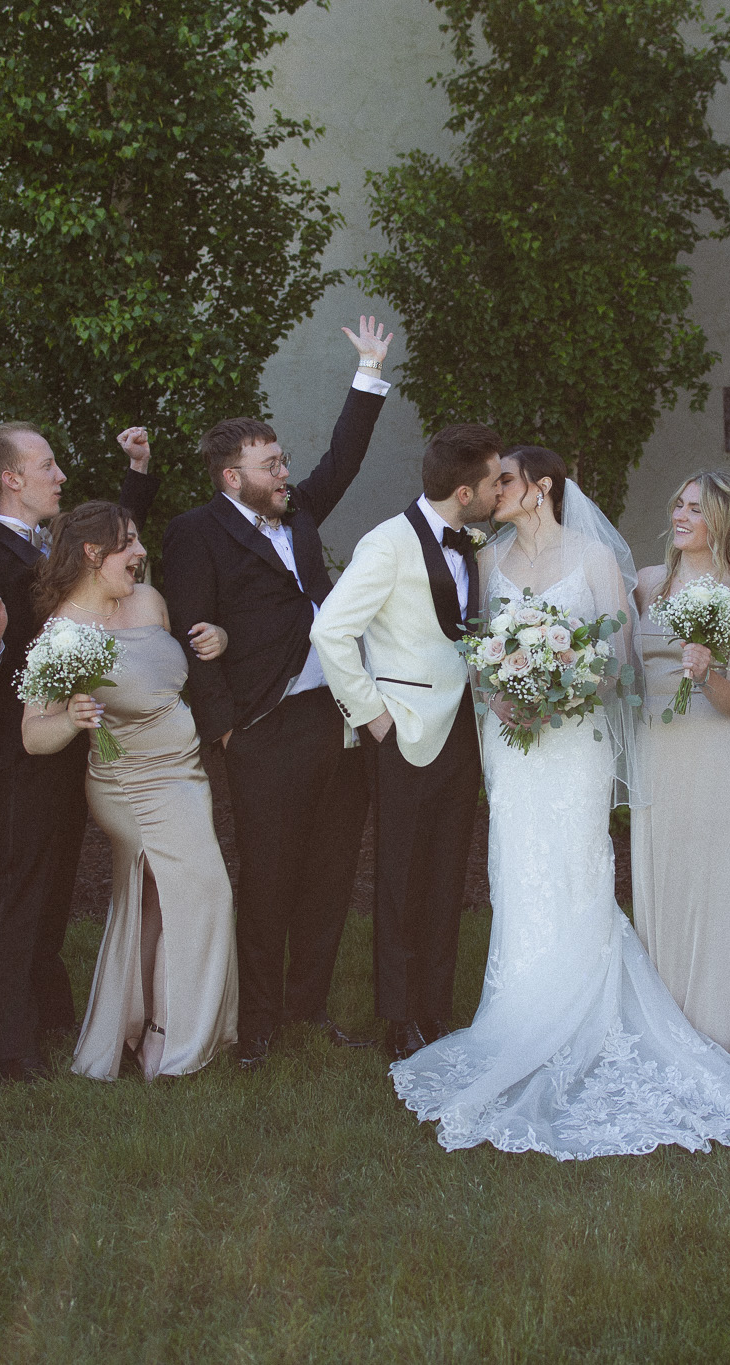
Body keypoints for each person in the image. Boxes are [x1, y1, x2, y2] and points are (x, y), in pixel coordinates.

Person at [389, 446, 730, 1160]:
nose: (492, 490)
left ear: (539, 489)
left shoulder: (597, 559)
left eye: (505, 480)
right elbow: (476, 652)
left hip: (574, 746)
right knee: (518, 875)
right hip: (511, 746)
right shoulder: (486, 561)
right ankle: (517, 1014)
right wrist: (503, 690)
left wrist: (560, 685)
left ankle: (584, 1018)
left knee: (573, 874)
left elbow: (621, 666)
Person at [160, 318, 394, 1070]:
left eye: (283, 459)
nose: (285, 472)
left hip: (336, 719)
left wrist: (366, 372)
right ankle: (257, 1023)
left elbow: (344, 459)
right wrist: (226, 729)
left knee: (329, 873)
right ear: (233, 476)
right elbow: (191, 632)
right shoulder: (196, 533)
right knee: (267, 879)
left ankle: (308, 1006)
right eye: (269, 464)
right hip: (264, 727)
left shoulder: (297, 515)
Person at [0, 422, 164, 1082]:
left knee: (57, 885)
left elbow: (114, 543)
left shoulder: (64, 543)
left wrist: (139, 469)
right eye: (47, 466)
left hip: (79, 740)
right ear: (11, 478)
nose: (60, 476)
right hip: (27, 746)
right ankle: (12, 1044)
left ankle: (47, 1009)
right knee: (23, 888)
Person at [22, 501, 240, 1080]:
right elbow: (32, 736)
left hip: (186, 775)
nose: (142, 553)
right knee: (204, 893)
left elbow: (177, 672)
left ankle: (136, 1024)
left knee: (152, 906)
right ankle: (171, 1035)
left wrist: (216, 637)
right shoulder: (61, 635)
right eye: (131, 543)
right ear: (94, 554)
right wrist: (72, 718)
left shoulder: (149, 602)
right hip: (129, 785)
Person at [310, 423, 505, 1061]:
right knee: (399, 879)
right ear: (465, 490)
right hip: (403, 733)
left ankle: (435, 1009)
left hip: (462, 732)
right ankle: (397, 1019)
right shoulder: (389, 542)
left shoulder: (476, 541)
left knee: (448, 875)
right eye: (495, 480)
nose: (501, 489)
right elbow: (331, 632)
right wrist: (371, 717)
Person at [627, 471, 730, 1076]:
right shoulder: (647, 585)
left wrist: (707, 673)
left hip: (713, 754)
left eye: (694, 507)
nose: (680, 514)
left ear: (720, 520)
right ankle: (668, 1021)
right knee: (665, 880)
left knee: (718, 889)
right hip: (656, 753)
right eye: (678, 503)